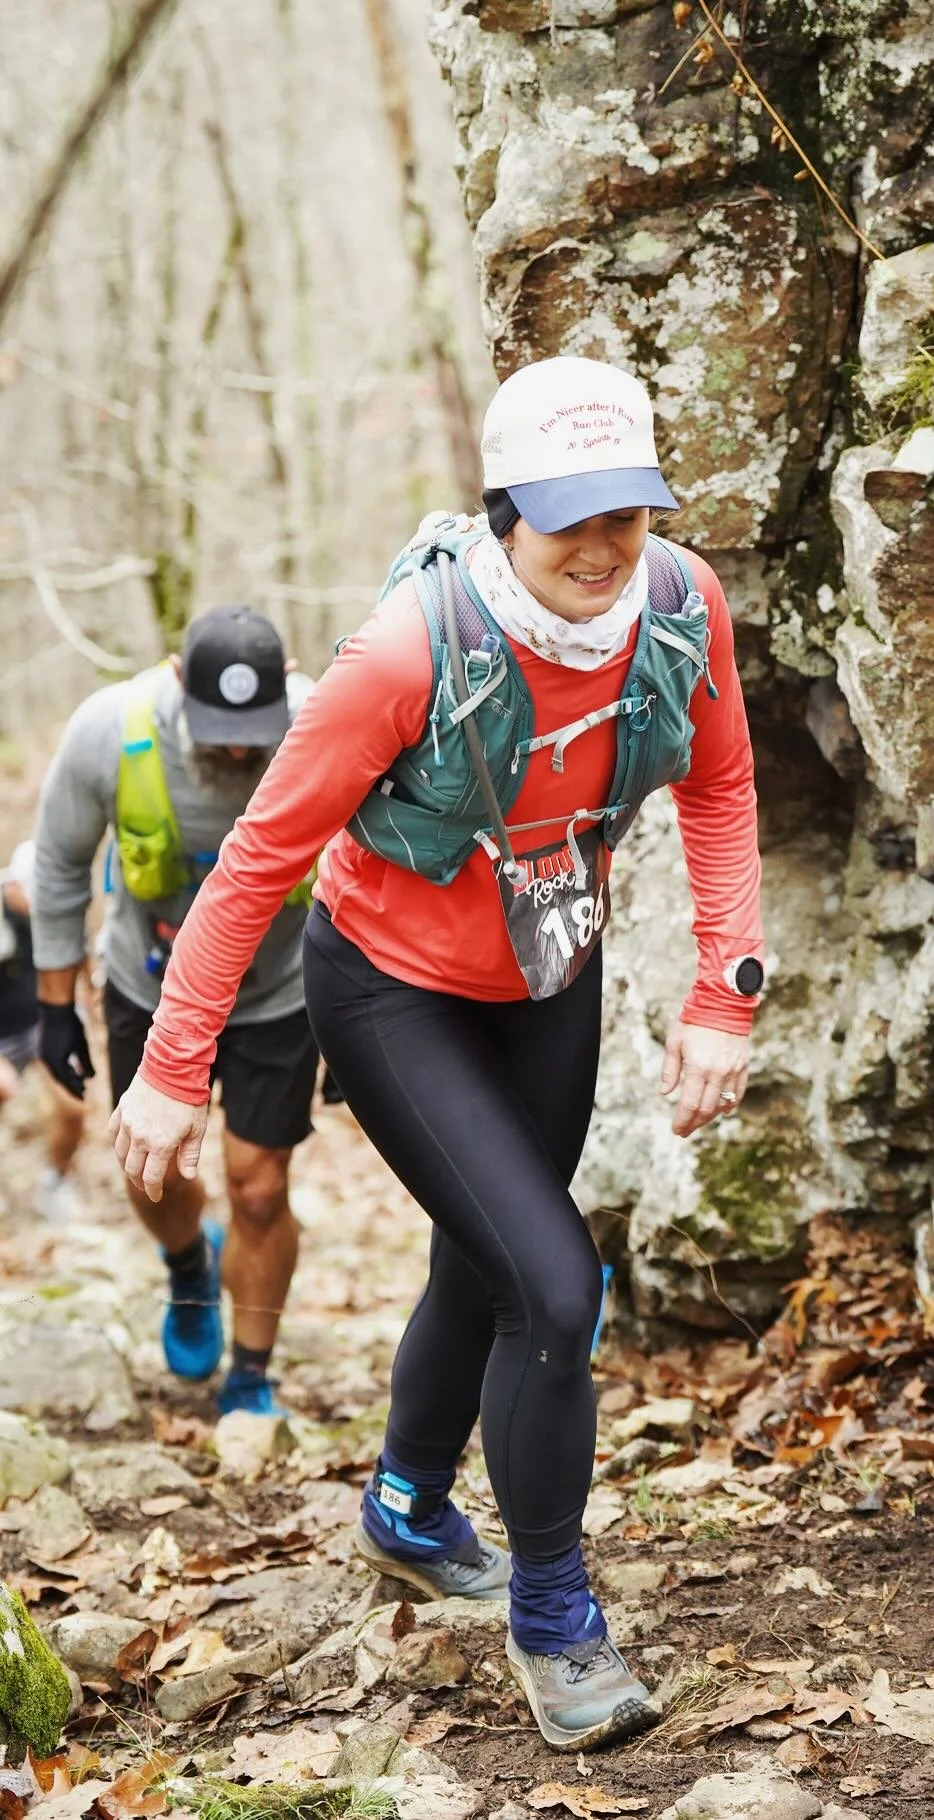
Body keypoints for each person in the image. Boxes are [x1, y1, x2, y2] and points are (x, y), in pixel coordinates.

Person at [108, 355, 765, 1754]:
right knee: (553, 1279)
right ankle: (554, 1619)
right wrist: (173, 1068)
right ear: (505, 508)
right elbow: (254, 866)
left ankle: (406, 1507)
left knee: (492, 1262)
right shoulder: (408, 652)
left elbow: (718, 786)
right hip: (393, 991)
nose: (601, 548)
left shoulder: (679, 605)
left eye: (627, 516)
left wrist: (725, 995)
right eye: (569, 517)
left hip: (552, 973)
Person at [32, 607, 318, 1416]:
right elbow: (56, 867)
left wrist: (361, 1011)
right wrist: (57, 1012)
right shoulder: (109, 732)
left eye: (252, 727)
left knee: (259, 1186)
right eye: (218, 726)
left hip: (277, 992)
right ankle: (190, 1265)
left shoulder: (323, 719)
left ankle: (252, 1375)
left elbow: (379, 858)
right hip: (147, 989)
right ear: (173, 678)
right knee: (153, 1172)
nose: (236, 746)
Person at [0, 839, 87, 1222]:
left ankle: (54, 1181)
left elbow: (80, 965)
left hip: (41, 1020)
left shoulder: (58, 913)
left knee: (73, 1103)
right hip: (2, 1034)